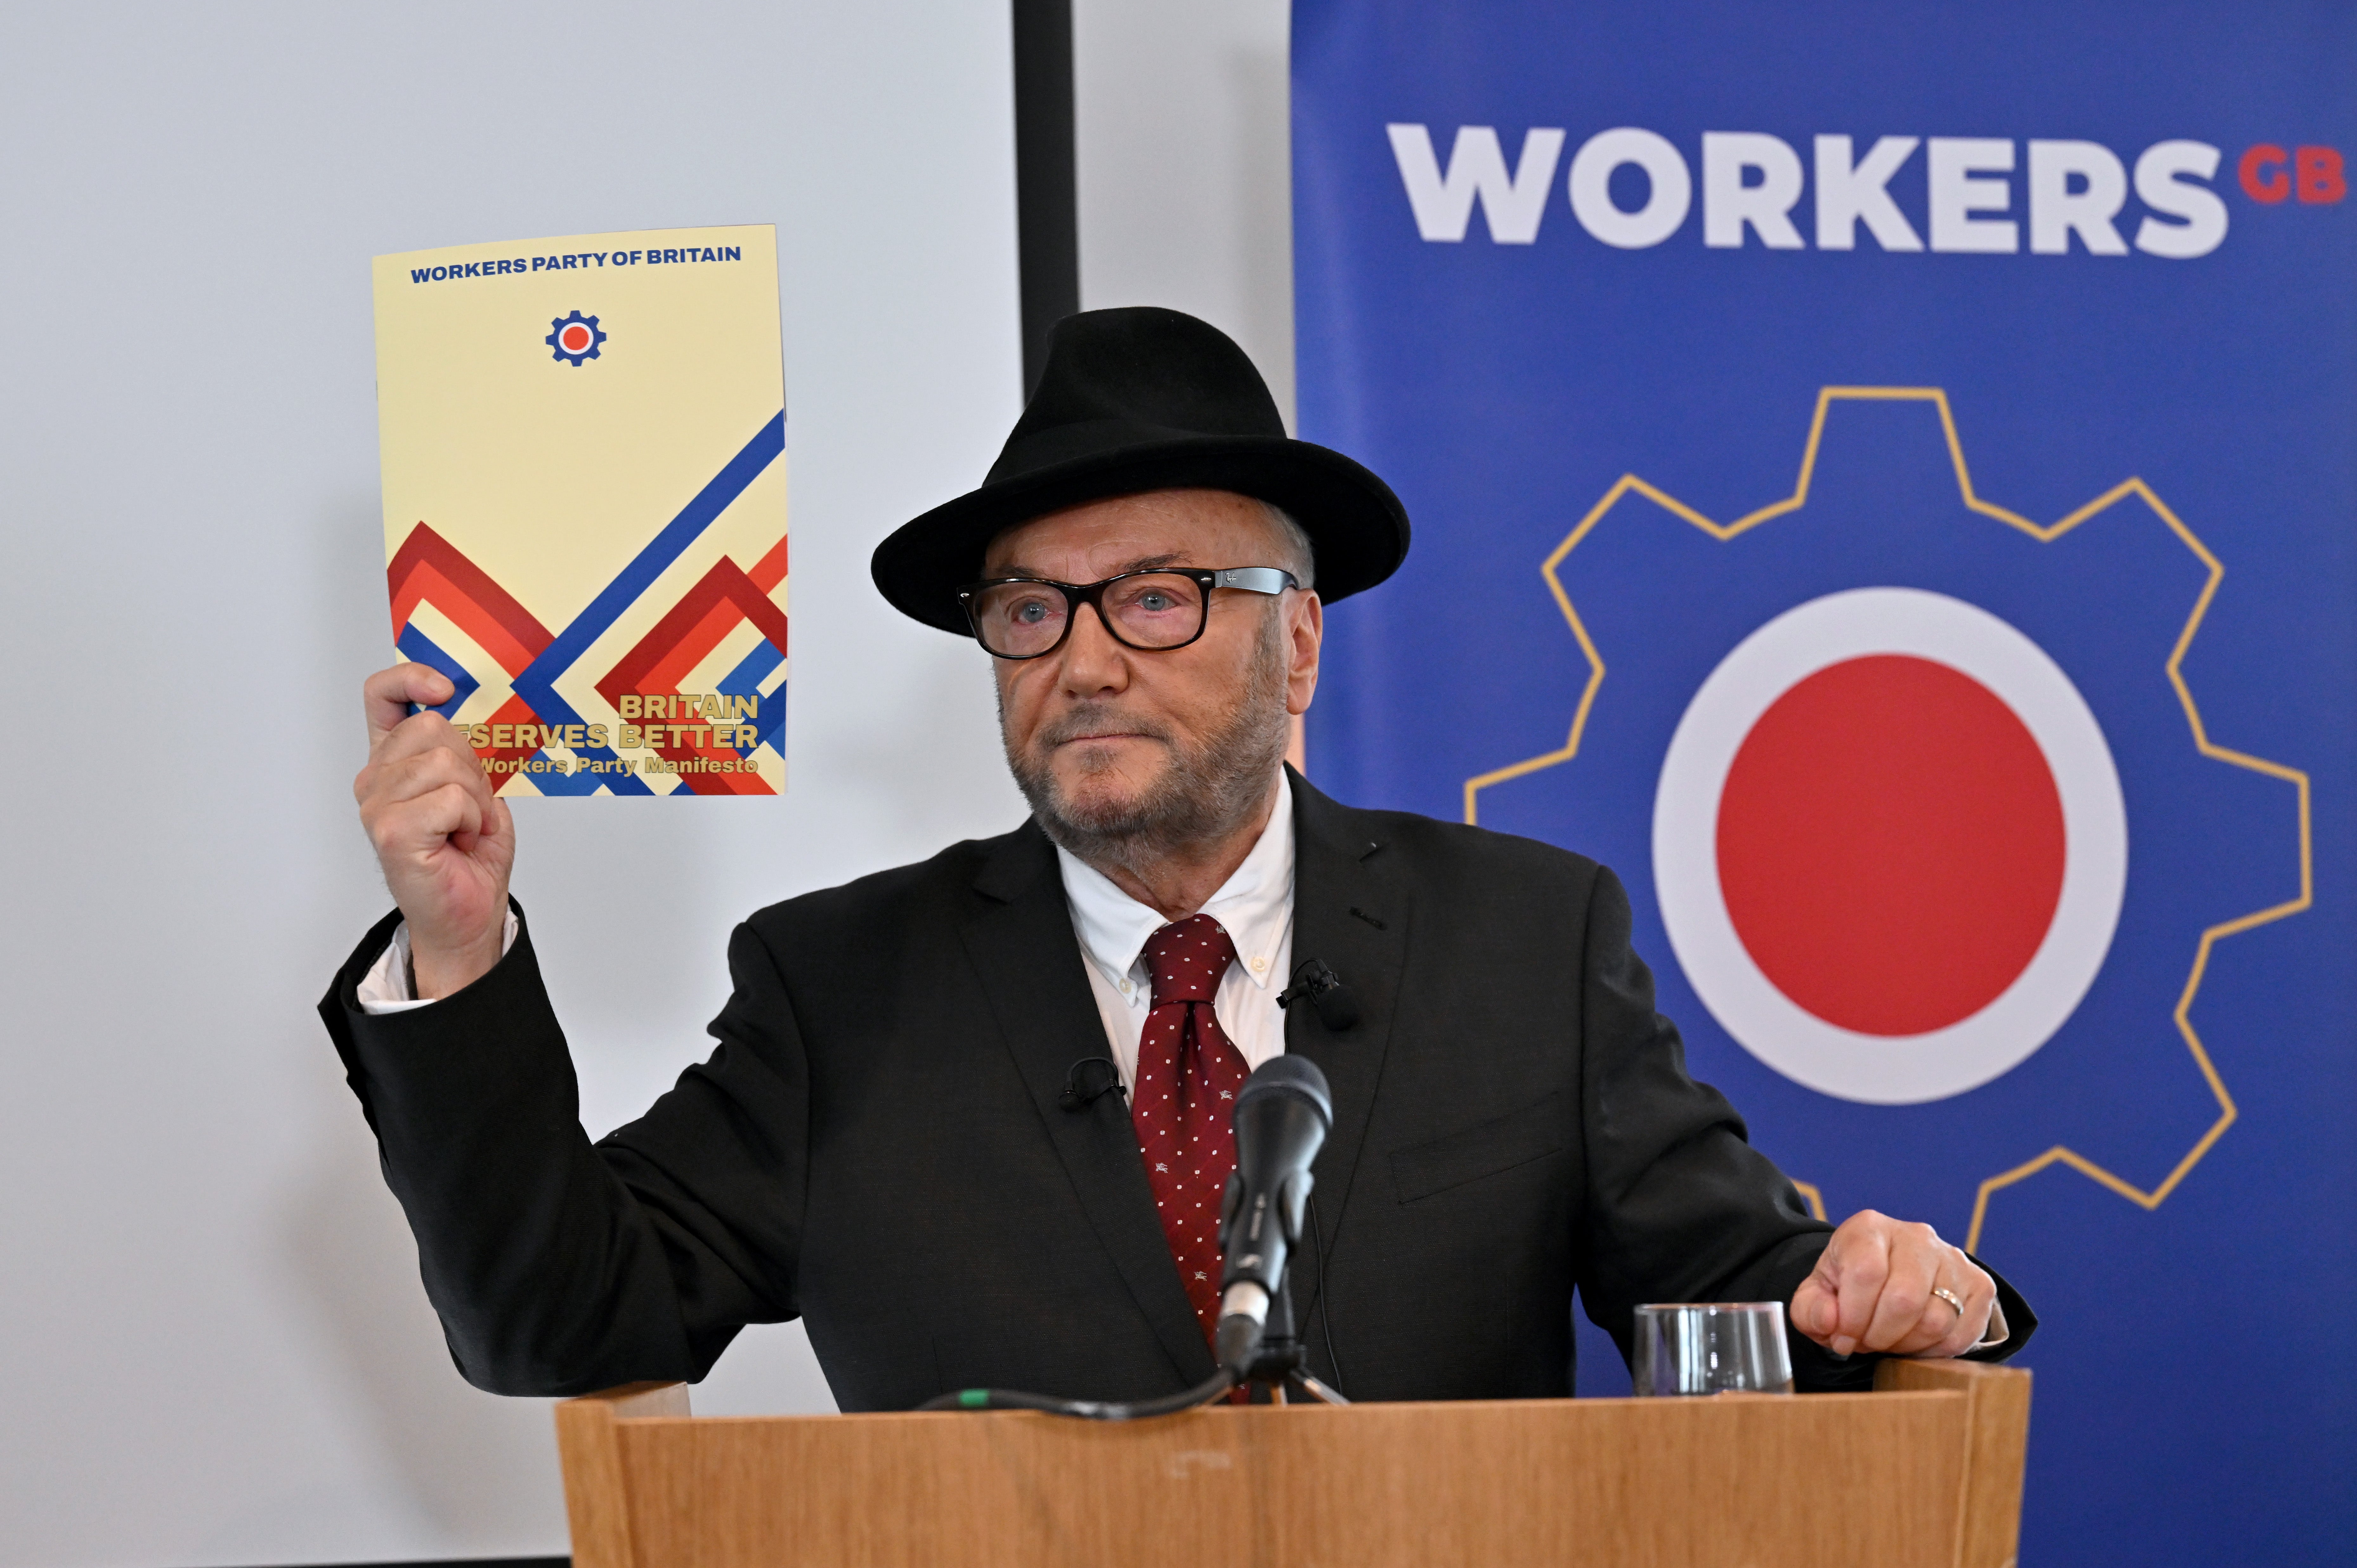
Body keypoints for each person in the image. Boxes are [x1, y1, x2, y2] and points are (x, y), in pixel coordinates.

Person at [323, 307, 2030, 1408]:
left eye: (1156, 596)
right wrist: (459, 947)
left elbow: (1744, 1299)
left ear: (1296, 651)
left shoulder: (1525, 941)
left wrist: (1894, 1291)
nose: (1081, 657)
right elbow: (563, 1322)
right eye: (1027, 607)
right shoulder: (839, 986)